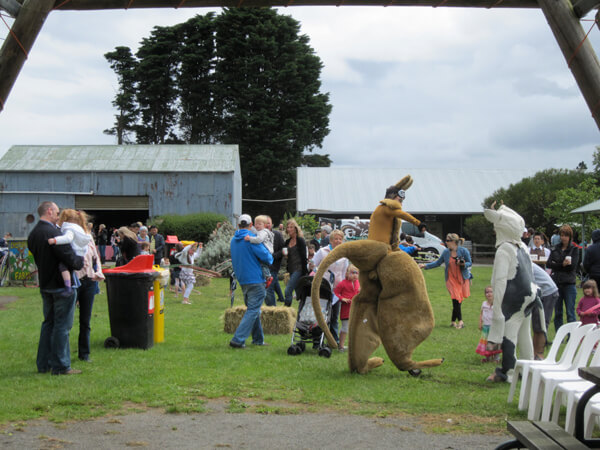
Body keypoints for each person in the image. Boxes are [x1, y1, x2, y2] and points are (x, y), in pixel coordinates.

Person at [28, 201, 84, 375]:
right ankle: (60, 365)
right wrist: (79, 261)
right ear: (49, 211)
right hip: (61, 285)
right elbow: (69, 257)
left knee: (48, 324)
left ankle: (44, 364)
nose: (58, 216)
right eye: (57, 212)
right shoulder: (53, 232)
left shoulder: (34, 233)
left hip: (46, 284)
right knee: (62, 326)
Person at [229, 214, 273, 348]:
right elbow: (267, 258)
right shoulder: (251, 239)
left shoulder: (233, 240)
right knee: (253, 310)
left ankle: (258, 339)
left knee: (254, 309)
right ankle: (238, 339)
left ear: (238, 225)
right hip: (255, 279)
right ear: (250, 225)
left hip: (243, 279)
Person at [420, 233, 472, 329]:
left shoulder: (463, 251)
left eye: (448, 241)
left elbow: (470, 262)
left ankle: (453, 321)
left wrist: (463, 264)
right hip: (450, 279)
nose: (446, 242)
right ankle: (460, 321)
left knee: (458, 301)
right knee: (456, 298)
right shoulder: (446, 252)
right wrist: (425, 266)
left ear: (454, 242)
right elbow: (438, 263)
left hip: (462, 278)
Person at [74, 225, 104, 362]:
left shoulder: (88, 237)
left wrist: (98, 272)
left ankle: (84, 353)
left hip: (89, 280)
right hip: (74, 280)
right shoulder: (68, 235)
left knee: (85, 320)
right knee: (65, 322)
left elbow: (95, 257)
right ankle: (60, 355)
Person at [313, 229, 349, 344]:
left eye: (340, 239)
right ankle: (318, 339)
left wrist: (343, 287)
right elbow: (313, 265)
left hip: (336, 289)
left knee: (334, 316)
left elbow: (344, 273)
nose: (338, 241)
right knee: (322, 315)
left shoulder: (344, 254)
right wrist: (317, 272)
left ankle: (334, 341)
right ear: (331, 240)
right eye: (335, 239)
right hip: (323, 287)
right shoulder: (323, 251)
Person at [47, 209, 92, 294]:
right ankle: (74, 284)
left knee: (62, 267)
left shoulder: (69, 229)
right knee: (71, 271)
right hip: (80, 255)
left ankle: (68, 286)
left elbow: (68, 238)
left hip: (74, 254)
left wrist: (55, 240)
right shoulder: (79, 229)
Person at [547, 224, 579, 332]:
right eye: (562, 235)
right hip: (557, 283)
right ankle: (559, 335)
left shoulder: (574, 249)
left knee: (570, 312)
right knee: (558, 312)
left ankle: (572, 336)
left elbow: (572, 266)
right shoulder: (555, 249)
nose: (563, 237)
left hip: (569, 283)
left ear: (570, 237)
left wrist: (559, 265)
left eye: (566, 235)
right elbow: (549, 264)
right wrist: (562, 264)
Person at [531, 263, 559, 359]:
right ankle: (534, 353)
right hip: (538, 294)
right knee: (536, 325)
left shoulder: (522, 263)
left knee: (542, 325)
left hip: (548, 292)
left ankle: (539, 354)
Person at [333, 264, 360, 352]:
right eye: (353, 273)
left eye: (357, 273)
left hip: (356, 310)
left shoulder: (358, 283)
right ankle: (340, 346)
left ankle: (353, 346)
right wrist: (342, 298)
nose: (355, 275)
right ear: (347, 273)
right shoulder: (342, 283)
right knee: (345, 328)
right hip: (346, 310)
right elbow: (336, 293)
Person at [283, 218, 308, 307]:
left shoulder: (300, 240)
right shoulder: (287, 242)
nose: (289, 229)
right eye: (288, 227)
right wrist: (285, 256)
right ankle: (302, 311)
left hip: (299, 269)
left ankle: (286, 309)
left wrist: (305, 272)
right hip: (291, 269)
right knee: (299, 292)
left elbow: (304, 257)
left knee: (288, 290)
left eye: (291, 227)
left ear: (295, 229)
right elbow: (287, 257)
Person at [244, 215, 274, 287]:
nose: (257, 226)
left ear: (264, 225)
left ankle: (268, 277)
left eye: (259, 224)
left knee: (263, 264)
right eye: (256, 224)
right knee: (262, 264)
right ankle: (266, 277)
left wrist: (250, 238)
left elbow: (259, 240)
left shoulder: (263, 232)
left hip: (267, 251)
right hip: (267, 251)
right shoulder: (262, 232)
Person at [475, 286, 500, 363]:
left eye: (491, 292)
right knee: (486, 342)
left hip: (494, 327)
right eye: (487, 292)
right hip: (486, 327)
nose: (489, 294)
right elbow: (481, 313)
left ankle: (496, 358)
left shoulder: (497, 304)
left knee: (495, 342)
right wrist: (480, 323)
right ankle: (488, 357)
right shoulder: (484, 304)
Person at [265, 216, 285, 306]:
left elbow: (283, 250)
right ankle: (280, 299)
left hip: (273, 266)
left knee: (268, 290)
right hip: (263, 267)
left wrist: (273, 256)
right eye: (265, 223)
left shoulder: (277, 235)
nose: (267, 225)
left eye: (268, 223)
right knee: (272, 284)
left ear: (271, 224)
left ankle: (272, 310)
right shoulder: (259, 236)